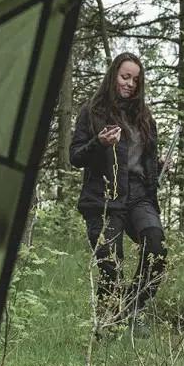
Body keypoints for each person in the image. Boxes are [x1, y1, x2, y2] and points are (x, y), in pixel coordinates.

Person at [69, 52, 166, 333]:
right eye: (125, 77)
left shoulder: (144, 117)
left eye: (135, 80)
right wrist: (98, 143)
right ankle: (106, 326)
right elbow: (75, 157)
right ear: (113, 75)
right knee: (111, 263)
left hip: (138, 195)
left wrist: (158, 165)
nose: (130, 84)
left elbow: (142, 159)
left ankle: (134, 307)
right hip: (103, 196)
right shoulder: (92, 112)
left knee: (157, 248)